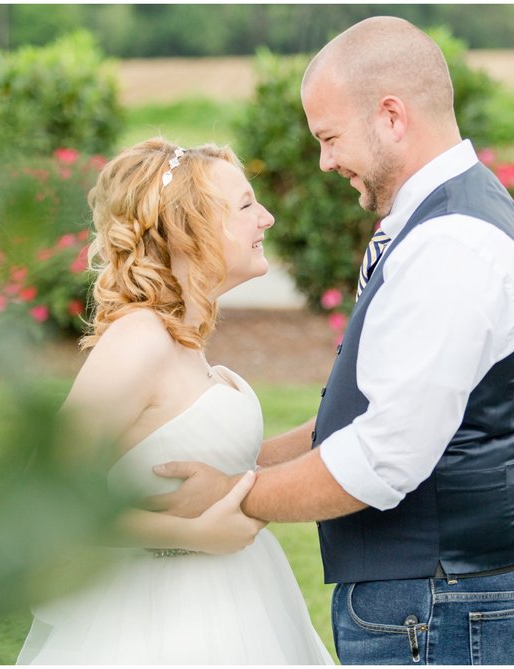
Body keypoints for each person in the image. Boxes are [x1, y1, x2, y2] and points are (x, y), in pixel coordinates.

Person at [149, 16, 514, 665]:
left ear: (391, 116)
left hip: (436, 597)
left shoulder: (449, 245)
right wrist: (241, 459)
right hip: (432, 591)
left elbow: (383, 457)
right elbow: (369, 414)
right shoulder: (443, 216)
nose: (325, 160)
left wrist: (231, 494)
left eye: (330, 137)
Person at [16, 139, 333, 664]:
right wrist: (193, 535)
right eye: (248, 205)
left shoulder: (183, 338)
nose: (269, 219)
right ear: (190, 227)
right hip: (164, 622)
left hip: (243, 600)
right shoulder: (139, 338)